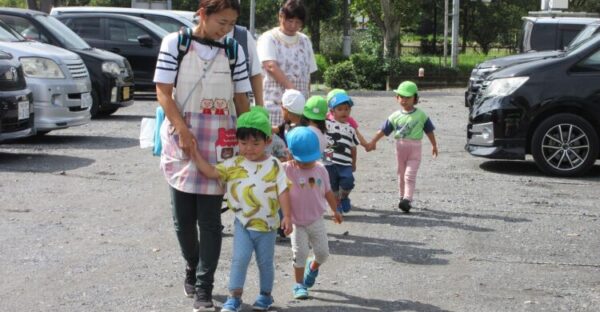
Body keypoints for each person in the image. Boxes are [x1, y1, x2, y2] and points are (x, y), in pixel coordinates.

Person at [153, 0, 251, 310]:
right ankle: (192, 267)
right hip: (183, 137)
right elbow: (163, 91)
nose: (226, 29)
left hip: (221, 141)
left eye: (231, 24)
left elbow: (240, 96)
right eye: (221, 22)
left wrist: (250, 140)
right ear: (203, 15)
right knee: (183, 219)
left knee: (210, 220)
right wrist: (181, 129)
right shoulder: (176, 43)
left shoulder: (233, 50)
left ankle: (205, 286)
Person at [191, 107, 293, 312]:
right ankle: (234, 297)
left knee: (265, 263)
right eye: (243, 143)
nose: (249, 148)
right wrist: (194, 153)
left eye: (256, 143)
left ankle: (265, 295)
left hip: (268, 226)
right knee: (239, 260)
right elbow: (211, 172)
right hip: (243, 224)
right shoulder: (233, 164)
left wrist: (288, 216)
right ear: (237, 141)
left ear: (267, 141)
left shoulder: (274, 165)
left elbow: (283, 190)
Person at [283, 127, 343, 299]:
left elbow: (328, 192)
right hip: (296, 222)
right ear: (291, 154)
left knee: (323, 254)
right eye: (302, 160)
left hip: (316, 220)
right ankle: (299, 284)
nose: (307, 163)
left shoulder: (320, 169)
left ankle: (313, 267)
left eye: (310, 159)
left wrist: (335, 210)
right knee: (300, 253)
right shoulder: (286, 169)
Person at [366, 81, 438, 213]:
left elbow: (429, 131)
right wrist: (373, 141)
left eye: (408, 97)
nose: (404, 100)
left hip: (415, 149)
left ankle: (407, 199)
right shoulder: (395, 116)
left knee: (409, 175)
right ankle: (402, 197)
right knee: (401, 174)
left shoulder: (421, 115)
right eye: (401, 97)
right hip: (400, 148)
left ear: (415, 98)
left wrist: (434, 145)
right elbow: (383, 130)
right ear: (397, 98)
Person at [257, 0, 317, 127]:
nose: (293, 26)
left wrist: (306, 99)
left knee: (297, 140)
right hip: (275, 105)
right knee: (274, 141)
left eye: (298, 22)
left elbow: (308, 74)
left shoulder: (305, 41)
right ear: (281, 17)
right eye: (290, 21)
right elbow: (270, 66)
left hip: (300, 107)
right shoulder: (269, 38)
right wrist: (293, 90)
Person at [324, 92, 359, 214]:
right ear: (332, 112)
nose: (344, 112)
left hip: (345, 163)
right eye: (340, 109)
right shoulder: (327, 124)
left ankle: (344, 196)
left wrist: (354, 163)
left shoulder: (351, 129)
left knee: (348, 181)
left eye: (347, 109)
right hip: (329, 162)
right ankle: (336, 204)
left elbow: (353, 147)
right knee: (332, 186)